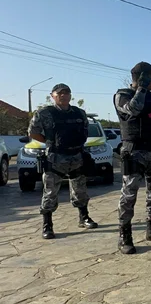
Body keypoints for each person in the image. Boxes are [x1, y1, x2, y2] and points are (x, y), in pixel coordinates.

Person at [114, 62, 151, 254]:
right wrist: (140, 89)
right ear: (142, 78)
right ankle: (125, 236)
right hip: (134, 151)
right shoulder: (123, 95)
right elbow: (133, 109)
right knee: (129, 194)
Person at [28, 83, 98, 239]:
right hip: (55, 157)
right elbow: (33, 132)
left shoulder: (80, 113)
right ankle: (47, 225)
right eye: (59, 93)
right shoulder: (45, 113)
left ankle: (84, 217)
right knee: (50, 191)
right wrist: (49, 142)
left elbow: (85, 131)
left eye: (66, 93)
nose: (63, 95)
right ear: (52, 96)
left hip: (77, 156)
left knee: (80, 189)